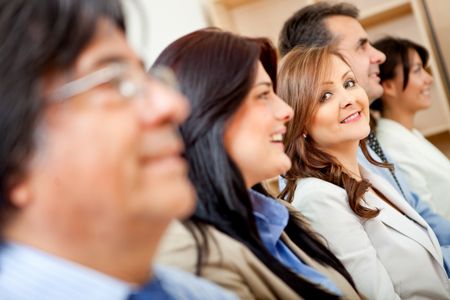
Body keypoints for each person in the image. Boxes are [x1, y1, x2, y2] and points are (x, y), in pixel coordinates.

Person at [0, 1, 237, 299]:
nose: (173, 105)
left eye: (149, 79)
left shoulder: (199, 293)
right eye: (114, 81)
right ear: (14, 161)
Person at [153, 28, 361, 300]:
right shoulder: (191, 255)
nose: (287, 111)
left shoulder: (277, 216)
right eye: (263, 95)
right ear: (210, 115)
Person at [278, 1, 450, 276]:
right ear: (318, 61)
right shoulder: (319, 190)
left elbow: (422, 221)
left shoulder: (364, 153)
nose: (379, 55)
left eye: (348, 83)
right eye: (362, 46)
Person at [371, 36, 450, 220]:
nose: (429, 79)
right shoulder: (391, 148)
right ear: (388, 86)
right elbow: (429, 220)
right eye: (417, 71)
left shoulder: (409, 134)